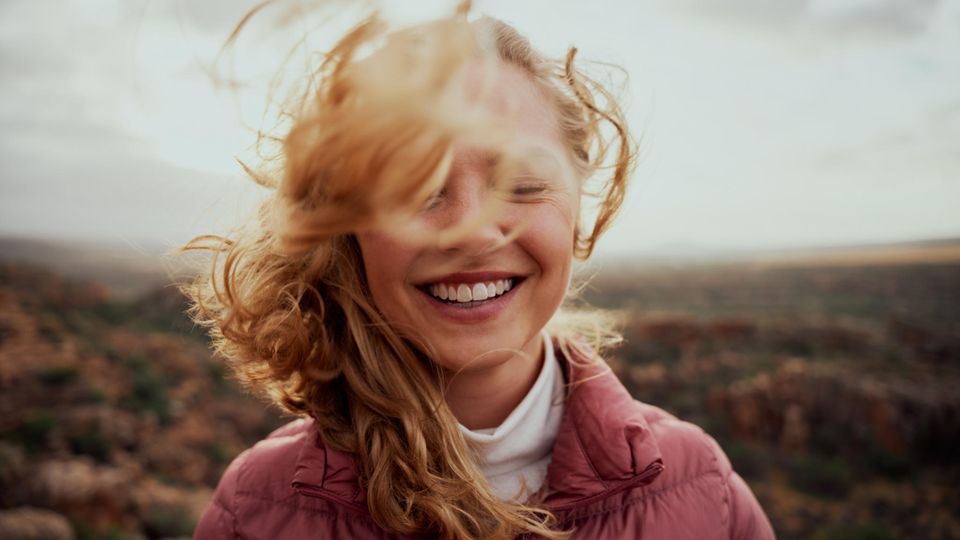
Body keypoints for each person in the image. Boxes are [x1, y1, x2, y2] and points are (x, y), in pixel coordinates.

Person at [187, 3, 775, 539]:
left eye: (523, 184)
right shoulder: (257, 510)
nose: (470, 228)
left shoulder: (702, 494)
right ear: (348, 226)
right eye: (416, 187)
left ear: (578, 210)